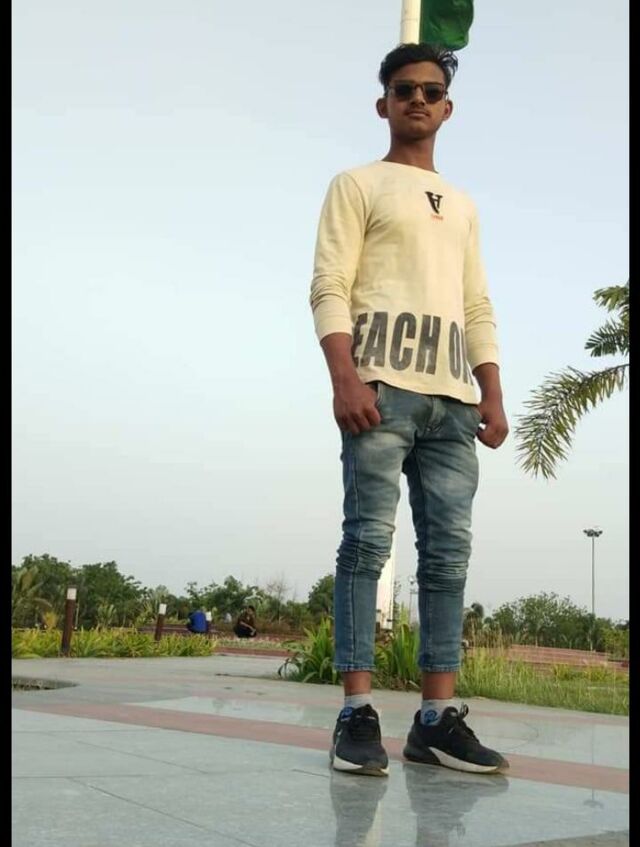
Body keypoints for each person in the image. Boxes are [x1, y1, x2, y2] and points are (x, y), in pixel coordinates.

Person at [310, 42, 510, 777]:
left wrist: (491, 390)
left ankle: (434, 721)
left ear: (447, 108)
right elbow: (329, 284)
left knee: (448, 557)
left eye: (430, 90)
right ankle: (357, 712)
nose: (417, 99)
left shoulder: (463, 205)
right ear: (384, 104)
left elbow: (476, 303)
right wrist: (345, 378)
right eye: (404, 89)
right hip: (380, 392)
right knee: (367, 544)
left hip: (453, 405)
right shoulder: (357, 184)